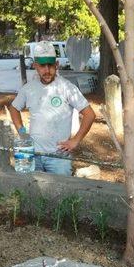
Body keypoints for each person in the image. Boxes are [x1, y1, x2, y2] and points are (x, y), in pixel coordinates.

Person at [7, 41, 96, 176]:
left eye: (51, 65)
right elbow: (14, 109)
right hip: (33, 154)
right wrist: (22, 132)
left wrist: (75, 141)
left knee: (61, 194)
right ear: (35, 66)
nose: (47, 70)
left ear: (57, 65)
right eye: (42, 66)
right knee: (33, 192)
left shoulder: (67, 88)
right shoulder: (28, 89)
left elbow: (89, 114)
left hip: (58, 157)